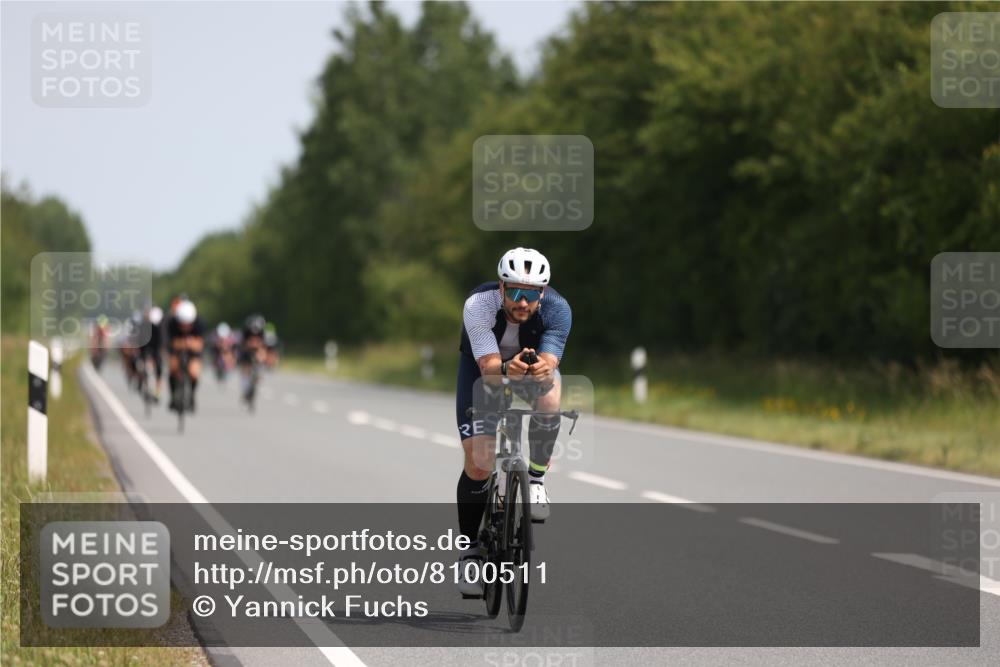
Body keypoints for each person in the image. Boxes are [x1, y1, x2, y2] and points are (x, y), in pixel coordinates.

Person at [454, 248, 571, 596]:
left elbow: (549, 363)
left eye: (531, 294)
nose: (522, 302)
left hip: (527, 369)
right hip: (482, 371)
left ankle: (536, 478)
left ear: (542, 293)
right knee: (479, 462)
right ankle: (469, 552)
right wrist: (506, 368)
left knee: (550, 394)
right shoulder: (479, 304)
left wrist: (540, 370)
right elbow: (489, 370)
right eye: (515, 291)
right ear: (501, 288)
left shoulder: (558, 309)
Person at [165, 299, 205, 412]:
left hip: (193, 352)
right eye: (182, 324)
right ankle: (173, 396)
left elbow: (200, 344)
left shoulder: (199, 323)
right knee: (172, 367)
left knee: (194, 372)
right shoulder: (172, 323)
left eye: (188, 325)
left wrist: (190, 344)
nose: (185, 327)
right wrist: (182, 344)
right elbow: (169, 342)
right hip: (176, 350)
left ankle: (192, 395)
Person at [237, 314, 267, 404]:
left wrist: (261, 354)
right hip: (246, 350)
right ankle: (245, 389)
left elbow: (264, 345)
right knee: (245, 368)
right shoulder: (245, 331)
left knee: (261, 356)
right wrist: (249, 345)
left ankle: (259, 372)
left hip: (257, 349)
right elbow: (242, 345)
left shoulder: (262, 332)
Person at [138, 305, 164, 401]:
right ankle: (144, 384)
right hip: (144, 349)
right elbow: (139, 343)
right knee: (141, 366)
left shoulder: (161, 328)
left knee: (159, 368)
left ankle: (157, 392)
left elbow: (162, 343)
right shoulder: (143, 326)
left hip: (155, 349)